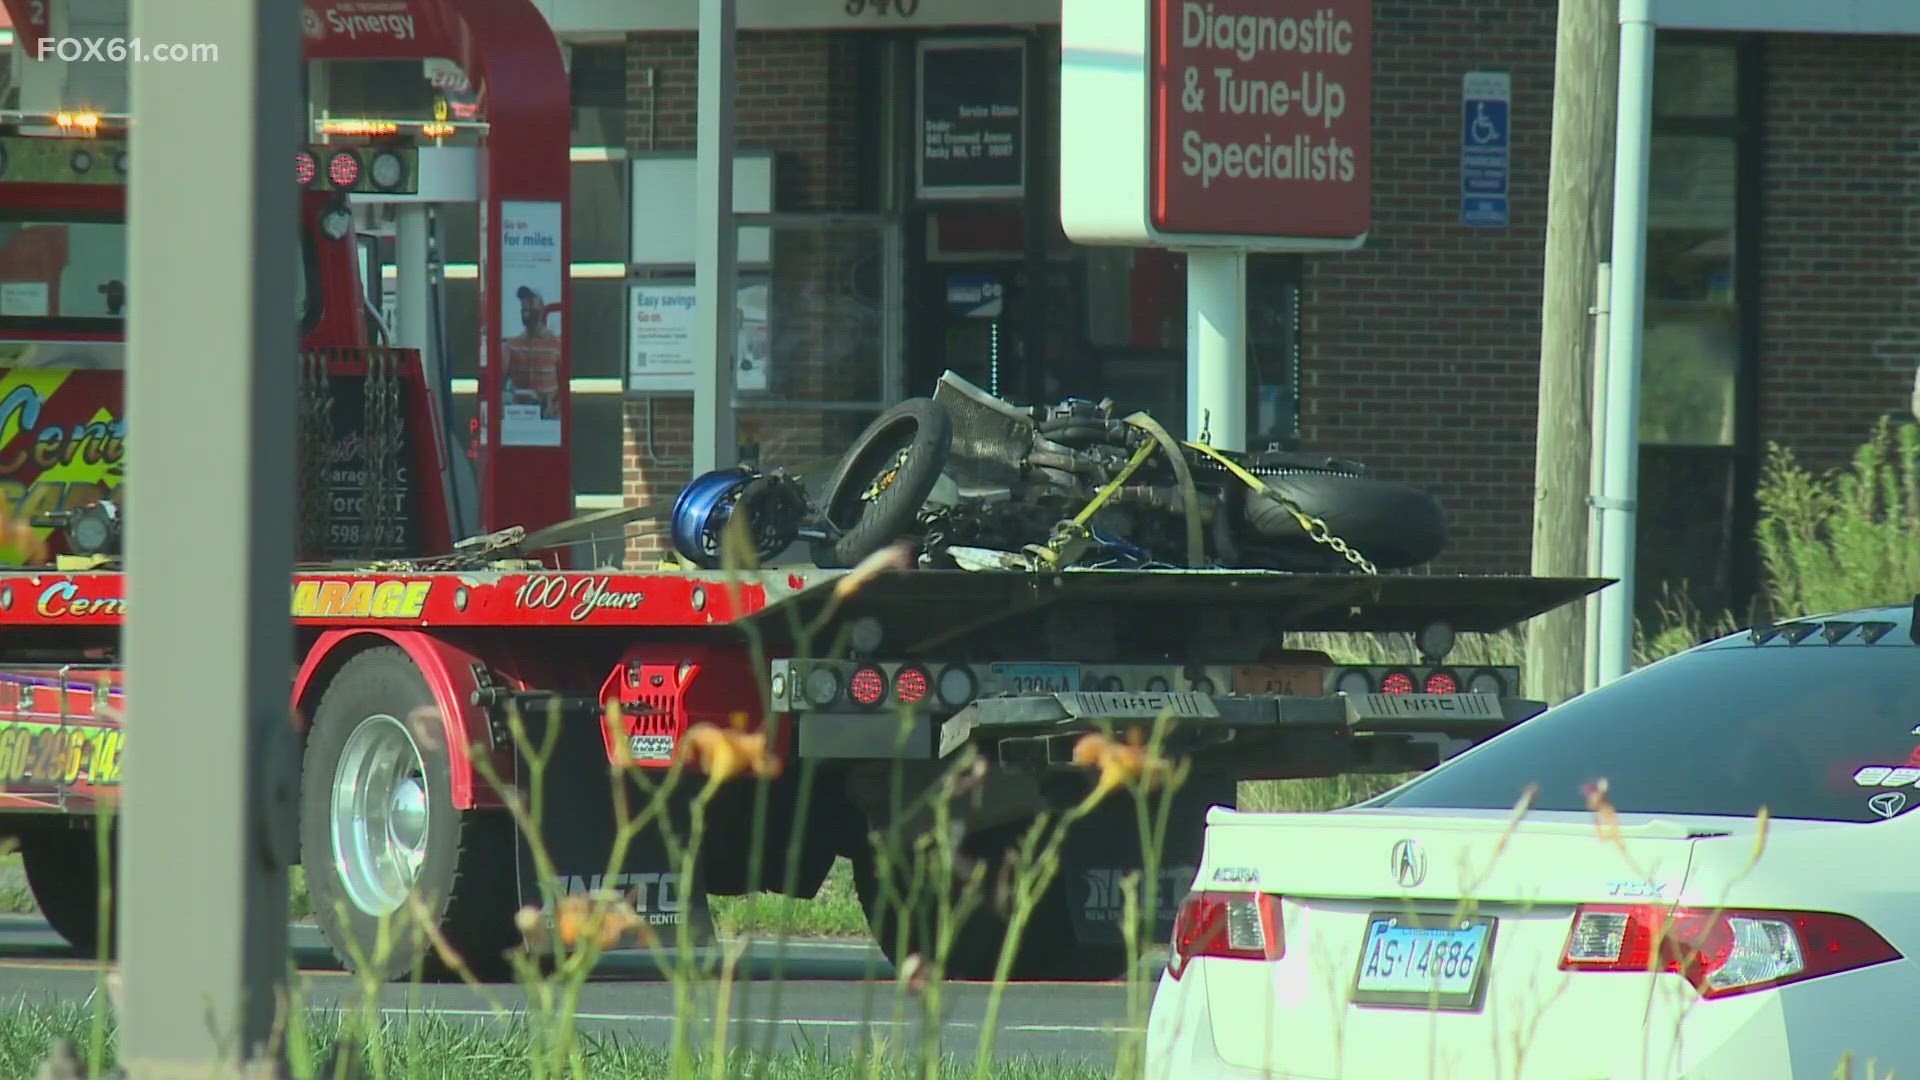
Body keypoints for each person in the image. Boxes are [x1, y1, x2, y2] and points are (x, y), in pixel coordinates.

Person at [502, 285, 561, 418]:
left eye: (530, 300)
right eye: (522, 301)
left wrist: (554, 407)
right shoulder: (511, 346)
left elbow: (566, 386)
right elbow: (497, 387)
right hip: (519, 417)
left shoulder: (556, 344)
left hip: (550, 421)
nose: (524, 304)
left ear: (541, 307)